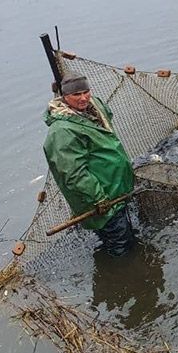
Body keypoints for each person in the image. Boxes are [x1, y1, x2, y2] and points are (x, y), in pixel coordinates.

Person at [43, 73, 136, 256]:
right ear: (64, 97)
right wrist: (99, 198)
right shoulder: (61, 132)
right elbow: (74, 174)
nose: (84, 98)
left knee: (127, 237)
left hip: (118, 191)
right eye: (76, 95)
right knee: (120, 247)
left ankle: (123, 274)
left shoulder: (94, 106)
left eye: (86, 92)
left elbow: (107, 113)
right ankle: (118, 273)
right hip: (103, 202)